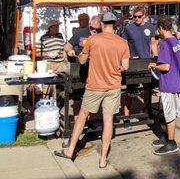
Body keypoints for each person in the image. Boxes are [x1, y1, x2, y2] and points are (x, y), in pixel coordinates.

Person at [54, 12, 129, 168]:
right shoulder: (122, 42)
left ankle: (70, 151)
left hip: (95, 85)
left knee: (82, 116)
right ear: (114, 24)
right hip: (113, 86)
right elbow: (125, 67)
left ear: (102, 24)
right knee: (108, 121)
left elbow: (82, 61)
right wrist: (115, 68)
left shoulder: (93, 39)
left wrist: (80, 54)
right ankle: (102, 160)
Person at [149, 15, 180, 155]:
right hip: (177, 81)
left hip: (169, 84)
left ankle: (171, 143)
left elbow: (166, 66)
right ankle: (165, 136)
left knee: (169, 114)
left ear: (161, 28)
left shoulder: (164, 44)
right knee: (165, 112)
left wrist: (154, 64)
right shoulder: (175, 40)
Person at [121, 5, 158, 115]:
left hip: (146, 62)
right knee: (130, 90)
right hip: (133, 63)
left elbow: (153, 43)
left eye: (139, 16)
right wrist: (127, 57)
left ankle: (146, 111)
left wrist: (156, 56)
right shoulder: (128, 28)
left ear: (144, 16)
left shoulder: (150, 27)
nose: (137, 18)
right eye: (135, 17)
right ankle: (126, 115)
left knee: (147, 88)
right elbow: (123, 45)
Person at [38, 20, 66, 97]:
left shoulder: (60, 36)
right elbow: (37, 53)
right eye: (55, 26)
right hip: (49, 64)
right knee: (47, 84)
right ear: (50, 27)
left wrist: (64, 56)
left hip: (60, 64)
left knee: (59, 84)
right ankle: (45, 100)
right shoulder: (43, 38)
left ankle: (56, 101)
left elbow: (63, 48)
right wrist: (48, 54)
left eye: (58, 26)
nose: (57, 28)